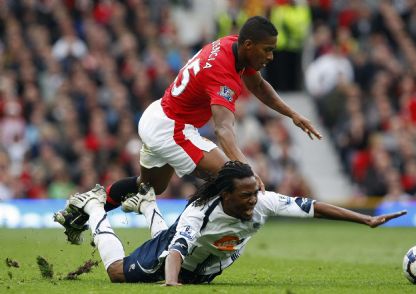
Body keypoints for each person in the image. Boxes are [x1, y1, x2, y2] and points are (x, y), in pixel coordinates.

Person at [54, 16, 322, 244]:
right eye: (267, 50)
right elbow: (224, 130)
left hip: (158, 115)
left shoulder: (233, 45)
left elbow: (259, 86)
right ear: (249, 45)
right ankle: (187, 246)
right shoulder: (222, 74)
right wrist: (246, 170)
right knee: (231, 178)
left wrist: (293, 114)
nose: (271, 56)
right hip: (172, 129)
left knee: (149, 188)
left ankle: (86, 206)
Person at [64, 161, 406, 285]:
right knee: (117, 273)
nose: (252, 201)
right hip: (182, 263)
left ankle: (147, 203)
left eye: (254, 194)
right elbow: (177, 250)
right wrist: (170, 284)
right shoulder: (201, 212)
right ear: (225, 194)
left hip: (205, 268)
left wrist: (366, 219)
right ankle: (94, 207)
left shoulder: (264, 201)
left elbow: (312, 206)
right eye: (245, 196)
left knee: (175, 244)